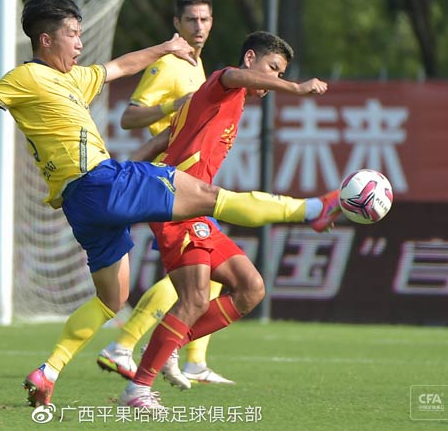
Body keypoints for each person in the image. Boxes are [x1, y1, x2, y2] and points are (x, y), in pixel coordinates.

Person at [0, 0, 338, 409]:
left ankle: (49, 370)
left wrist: (165, 47)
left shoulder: (73, 78)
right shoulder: (26, 76)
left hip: (81, 205)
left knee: (110, 299)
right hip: (100, 181)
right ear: (46, 38)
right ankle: (313, 211)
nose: (80, 42)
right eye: (72, 34)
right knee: (211, 199)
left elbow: (119, 67)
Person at [118, 31, 334, 409]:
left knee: (251, 288)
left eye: (280, 74)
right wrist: (295, 89)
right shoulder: (223, 82)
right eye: (272, 70)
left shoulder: (223, 105)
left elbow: (162, 141)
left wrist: (121, 177)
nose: (273, 82)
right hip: (174, 205)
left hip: (191, 207)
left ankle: (171, 344)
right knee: (195, 297)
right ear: (250, 58)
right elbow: (235, 76)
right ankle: (138, 388)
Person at [97, 0, 234, 389]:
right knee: (195, 272)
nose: (199, 27)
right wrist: (173, 107)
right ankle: (123, 346)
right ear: (176, 24)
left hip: (188, 182)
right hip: (166, 182)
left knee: (208, 274)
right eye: (191, 20)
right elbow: (128, 117)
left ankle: (192, 359)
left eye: (205, 20)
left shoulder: (197, 64)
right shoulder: (170, 65)